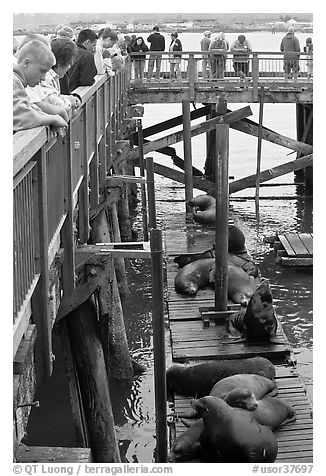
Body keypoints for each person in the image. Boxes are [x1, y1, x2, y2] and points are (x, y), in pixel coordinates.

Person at [13, 40, 68, 134]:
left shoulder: (18, 82)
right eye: (42, 71)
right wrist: (54, 119)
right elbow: (23, 117)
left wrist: (50, 118)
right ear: (26, 63)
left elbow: (30, 108)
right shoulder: (13, 83)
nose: (43, 78)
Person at [31, 36, 81, 117]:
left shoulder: (53, 76)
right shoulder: (46, 77)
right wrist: (70, 101)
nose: (69, 67)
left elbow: (54, 95)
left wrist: (69, 98)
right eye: (69, 64)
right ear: (61, 63)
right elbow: (54, 103)